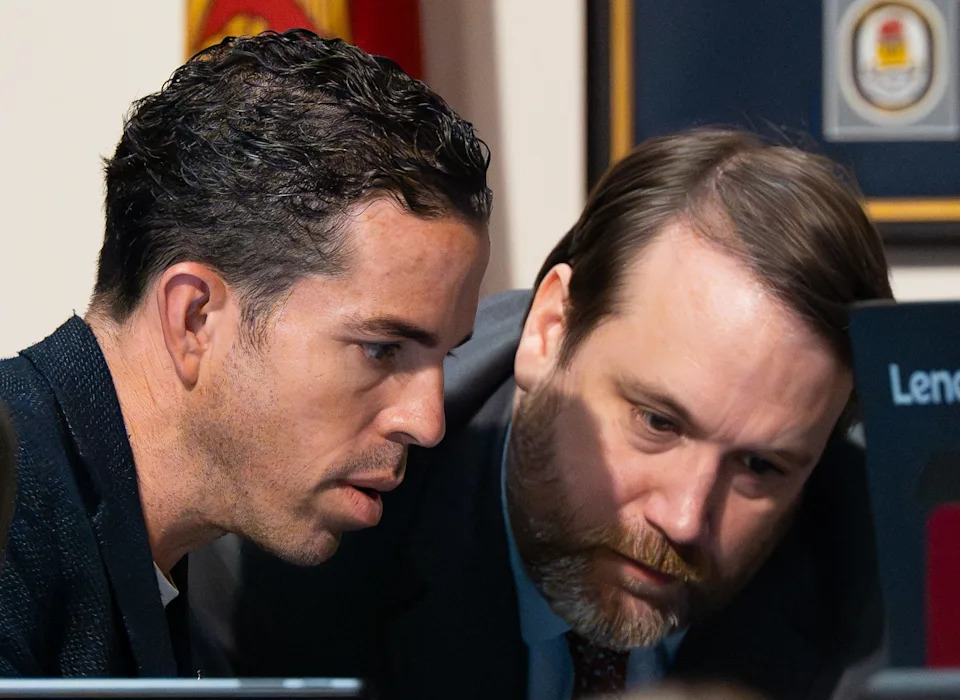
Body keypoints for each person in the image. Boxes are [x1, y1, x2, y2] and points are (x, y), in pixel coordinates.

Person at [220, 128, 891, 700]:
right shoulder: (315, 509)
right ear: (549, 330)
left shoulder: (885, 567)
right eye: (658, 422)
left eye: (760, 466)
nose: (686, 518)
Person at [0, 29, 491, 677]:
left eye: (444, 358)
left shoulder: (152, 560)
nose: (427, 422)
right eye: (381, 349)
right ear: (195, 318)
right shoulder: (13, 519)